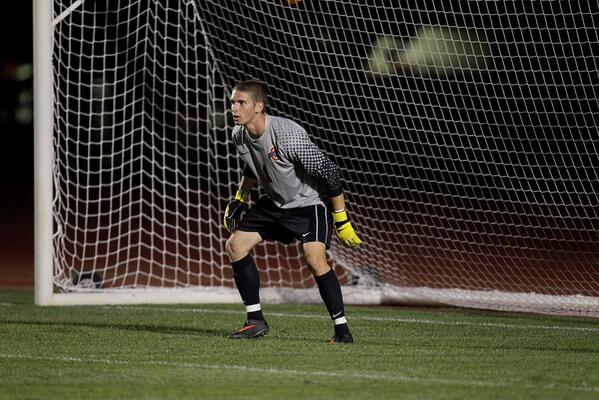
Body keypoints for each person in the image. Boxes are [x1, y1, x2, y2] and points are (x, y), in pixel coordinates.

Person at [224, 80, 362, 344]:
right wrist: (240, 197)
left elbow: (330, 173)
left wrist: (341, 219)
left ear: (259, 106)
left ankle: (342, 330)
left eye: (241, 102)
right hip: (274, 203)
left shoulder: (287, 134)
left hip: (308, 203)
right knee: (236, 245)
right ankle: (255, 321)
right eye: (233, 102)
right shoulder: (238, 134)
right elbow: (254, 165)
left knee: (314, 258)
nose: (234, 108)